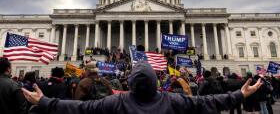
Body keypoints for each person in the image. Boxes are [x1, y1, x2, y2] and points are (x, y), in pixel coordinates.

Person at [22, 62, 263, 114]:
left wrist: (44, 102)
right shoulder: (172, 101)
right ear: (157, 82)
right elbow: (207, 102)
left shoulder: (116, 102)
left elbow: (80, 109)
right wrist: (239, 94)